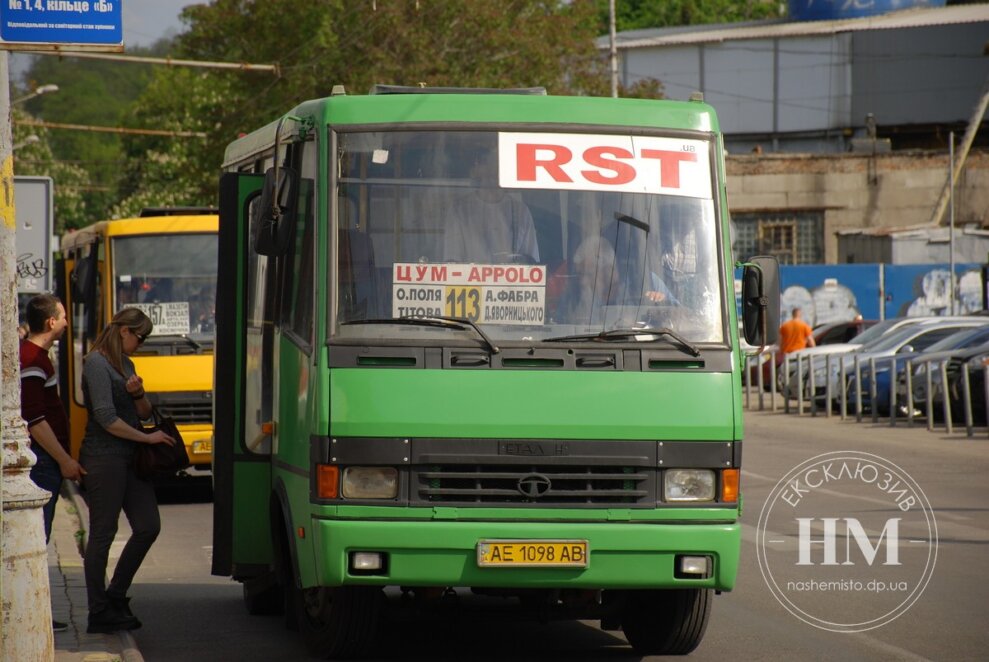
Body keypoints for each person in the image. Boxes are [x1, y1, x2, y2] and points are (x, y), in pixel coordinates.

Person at [80, 307, 176, 634]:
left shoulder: (127, 364)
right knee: (103, 533)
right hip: (103, 457)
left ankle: (116, 593)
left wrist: (138, 394)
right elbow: (106, 418)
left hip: (131, 457)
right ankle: (99, 610)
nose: (142, 342)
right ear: (124, 331)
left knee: (148, 525)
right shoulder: (95, 363)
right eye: (140, 336)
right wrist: (146, 438)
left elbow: (145, 413)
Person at [20, 293, 85, 634]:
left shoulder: (37, 356)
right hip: (44, 461)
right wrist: (64, 460)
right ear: (50, 322)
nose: (65, 322)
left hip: (48, 459)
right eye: (62, 317)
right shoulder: (33, 358)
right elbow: (34, 417)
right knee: (35, 539)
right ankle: (31, 613)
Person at [442, 148, 539, 264]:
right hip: (469, 282)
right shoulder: (459, 210)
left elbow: (531, 264)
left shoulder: (521, 212)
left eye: (496, 164)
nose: (491, 170)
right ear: (474, 170)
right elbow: (452, 263)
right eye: (485, 163)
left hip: (511, 281)